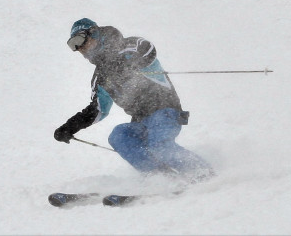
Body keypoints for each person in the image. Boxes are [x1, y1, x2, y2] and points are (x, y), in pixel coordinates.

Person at [54, 19, 213, 181]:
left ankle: (203, 173)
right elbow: (97, 110)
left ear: (94, 33)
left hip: (166, 111)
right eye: (73, 45)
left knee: (159, 146)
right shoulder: (100, 77)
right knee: (119, 136)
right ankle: (162, 178)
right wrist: (70, 127)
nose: (79, 48)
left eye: (79, 40)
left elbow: (148, 50)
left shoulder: (127, 46)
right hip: (141, 121)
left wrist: (126, 64)